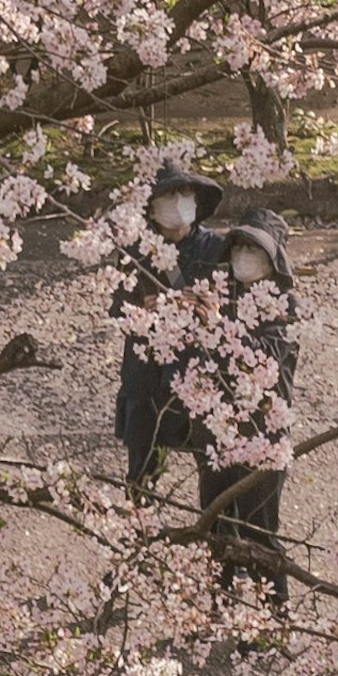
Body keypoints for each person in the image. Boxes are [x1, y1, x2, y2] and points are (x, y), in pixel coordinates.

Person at [195, 214, 297, 606]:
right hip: (216, 430)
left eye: (253, 248)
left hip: (262, 435)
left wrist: (220, 327)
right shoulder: (220, 292)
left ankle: (271, 618)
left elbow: (266, 359)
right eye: (238, 246)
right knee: (216, 524)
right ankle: (212, 605)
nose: (243, 255)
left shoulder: (286, 304)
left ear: (274, 258)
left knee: (259, 531)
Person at [112, 160, 223, 498]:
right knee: (144, 469)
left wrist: (208, 309)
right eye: (169, 196)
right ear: (151, 207)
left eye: (185, 194)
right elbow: (119, 311)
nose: (177, 203)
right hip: (147, 372)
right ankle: (138, 529)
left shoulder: (216, 248)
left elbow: (232, 313)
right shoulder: (134, 250)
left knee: (215, 461)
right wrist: (147, 311)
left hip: (199, 368)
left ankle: (216, 534)